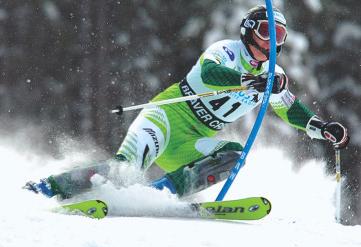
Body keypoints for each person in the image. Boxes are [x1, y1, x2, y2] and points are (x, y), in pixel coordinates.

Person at [24, 5, 349, 199]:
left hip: (192, 140)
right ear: (249, 31)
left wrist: (321, 128)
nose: (272, 42)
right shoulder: (226, 51)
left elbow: (289, 108)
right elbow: (209, 74)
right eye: (267, 32)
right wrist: (249, 80)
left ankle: (160, 196)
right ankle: (46, 189)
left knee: (234, 155)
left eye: (279, 36)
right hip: (165, 118)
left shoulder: (273, 74)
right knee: (122, 171)